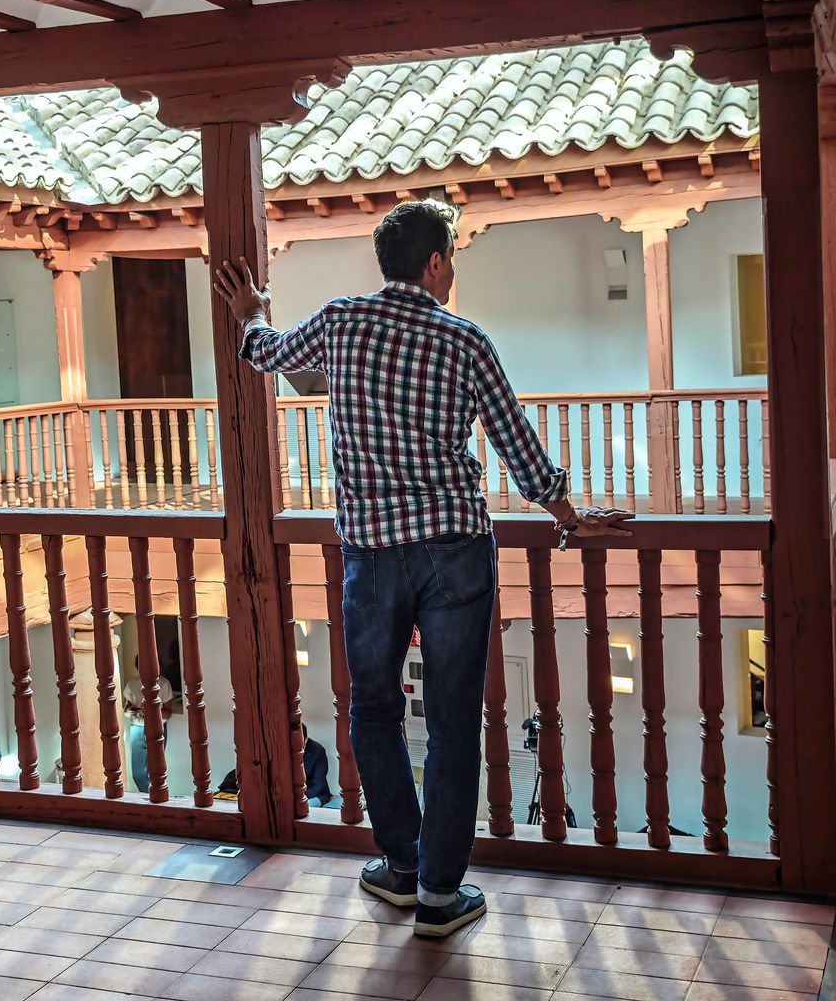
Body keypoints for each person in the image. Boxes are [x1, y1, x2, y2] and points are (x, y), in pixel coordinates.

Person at [214, 199, 631, 938]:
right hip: (454, 552)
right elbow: (518, 448)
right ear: (435, 263)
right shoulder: (465, 340)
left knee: (371, 710)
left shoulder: (342, 322)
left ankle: (401, 869)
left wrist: (251, 312)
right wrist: (568, 517)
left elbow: (266, 356)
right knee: (450, 722)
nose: (451, 273)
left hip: (372, 556)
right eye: (452, 260)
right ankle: (440, 893)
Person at [122, 654, 174, 793]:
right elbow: (127, 708)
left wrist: (152, 712)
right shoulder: (132, 684)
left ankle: (157, 799)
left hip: (158, 728)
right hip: (138, 728)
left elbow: (168, 712)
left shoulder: (164, 684)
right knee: (138, 773)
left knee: (156, 771)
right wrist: (135, 711)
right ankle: (150, 797)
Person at [302, 723, 331, 808]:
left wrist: (296, 798)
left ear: (306, 740)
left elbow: (318, 785)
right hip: (288, 795)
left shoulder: (317, 750)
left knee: (306, 807)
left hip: (314, 793)